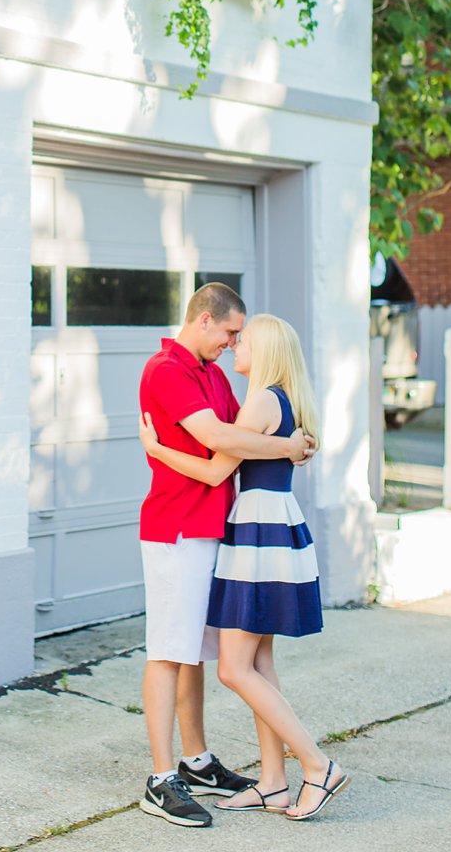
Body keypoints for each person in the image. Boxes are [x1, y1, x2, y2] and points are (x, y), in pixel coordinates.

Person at [141, 313, 345, 821]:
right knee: (260, 664)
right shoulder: (284, 397)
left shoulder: (258, 402)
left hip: (256, 532)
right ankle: (273, 783)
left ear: (267, 349)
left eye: (244, 340)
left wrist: (157, 448)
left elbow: (215, 467)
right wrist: (290, 447)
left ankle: (317, 765)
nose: (235, 347)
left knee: (234, 668)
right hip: (277, 530)